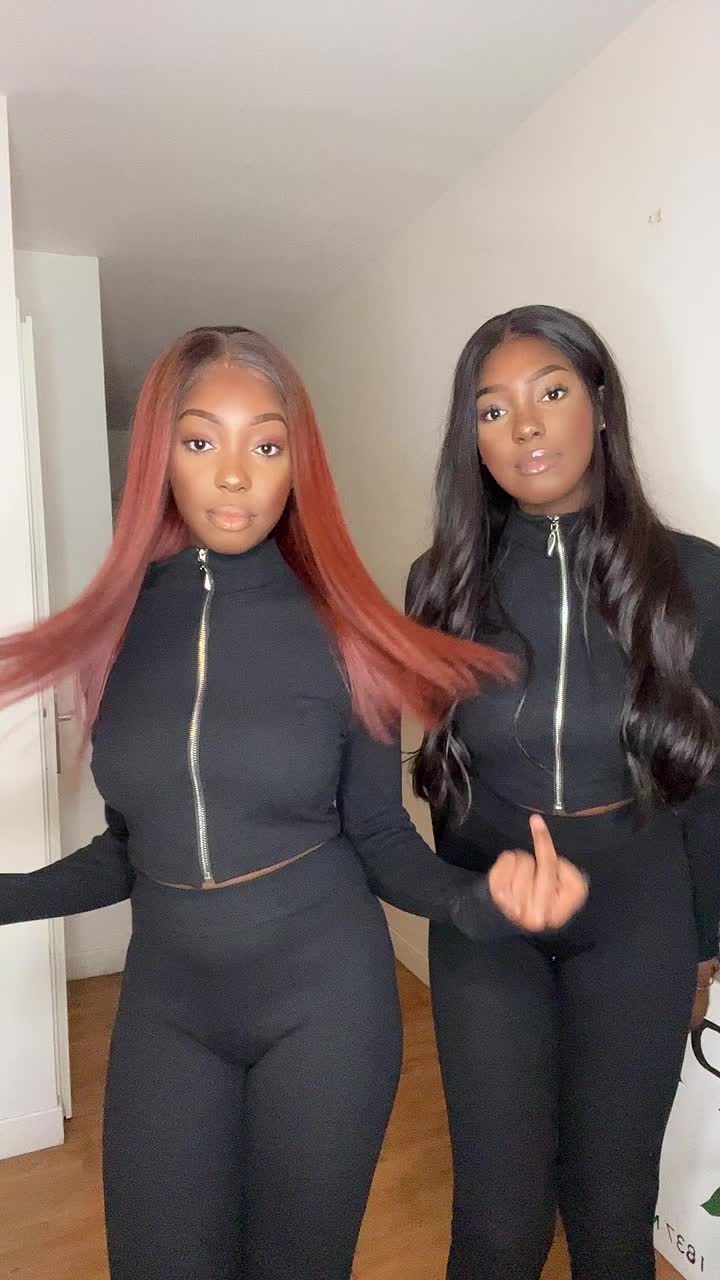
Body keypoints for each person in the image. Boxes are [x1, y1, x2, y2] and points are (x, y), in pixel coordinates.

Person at [0, 326, 587, 1280]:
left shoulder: (344, 628)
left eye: (266, 445)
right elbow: (132, 847)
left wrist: (482, 902)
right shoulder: (118, 629)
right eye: (201, 440)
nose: (234, 473)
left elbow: (381, 839)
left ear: (296, 465)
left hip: (326, 1006)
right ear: (159, 458)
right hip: (168, 1009)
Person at [406, 304, 720, 1280]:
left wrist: (706, 940)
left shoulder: (694, 574)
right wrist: (464, 893)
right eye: (492, 409)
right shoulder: (438, 583)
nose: (526, 426)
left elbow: (712, 781)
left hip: (638, 908)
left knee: (613, 1213)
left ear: (600, 404)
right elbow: (444, 767)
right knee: (499, 1225)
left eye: (550, 392)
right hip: (489, 909)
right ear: (472, 436)